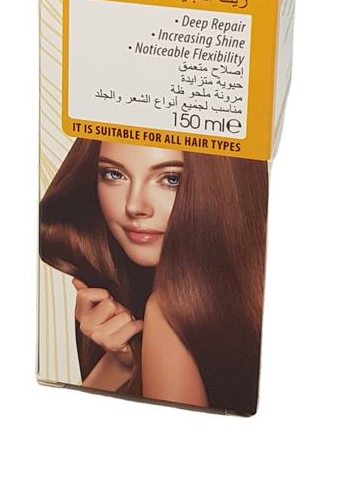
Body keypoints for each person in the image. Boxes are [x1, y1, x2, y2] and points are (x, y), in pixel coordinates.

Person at [39, 137, 268, 415]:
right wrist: (120, 363)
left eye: (171, 179)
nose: (134, 205)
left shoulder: (169, 311)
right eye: (114, 174)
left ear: (227, 185)